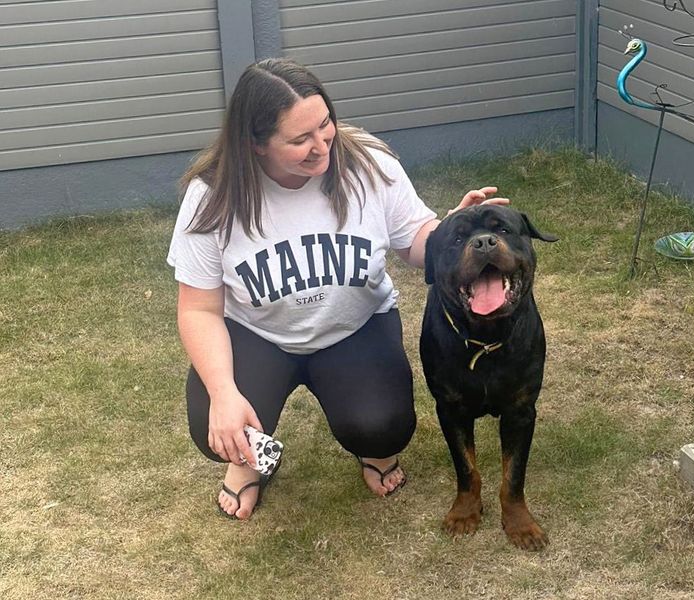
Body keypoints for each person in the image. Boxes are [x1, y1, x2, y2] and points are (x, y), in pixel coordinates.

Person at [167, 58, 507, 520]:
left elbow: (415, 243)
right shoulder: (214, 195)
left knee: (383, 427)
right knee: (216, 423)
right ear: (255, 144)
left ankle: (373, 450)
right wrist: (225, 393)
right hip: (258, 335)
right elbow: (199, 310)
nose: (321, 145)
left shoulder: (368, 163)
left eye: (325, 124)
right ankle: (247, 466)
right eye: (299, 139)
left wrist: (454, 234)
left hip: (354, 327)